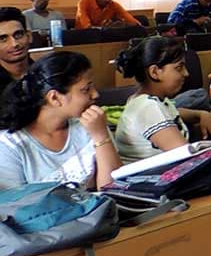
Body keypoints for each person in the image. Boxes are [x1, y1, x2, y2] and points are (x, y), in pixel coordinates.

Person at [0, 51, 121, 190]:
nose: (95, 94)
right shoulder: (10, 146)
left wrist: (101, 136)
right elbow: (15, 205)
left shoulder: (91, 126)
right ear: (54, 98)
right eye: (86, 89)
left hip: (100, 210)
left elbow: (114, 189)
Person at [113, 36, 211, 163]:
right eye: (179, 67)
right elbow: (187, 158)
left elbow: (172, 111)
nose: (186, 73)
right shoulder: (147, 107)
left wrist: (201, 114)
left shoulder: (147, 101)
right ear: (155, 72)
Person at [0, 8, 33, 92]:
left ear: (29, 36)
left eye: (18, 34)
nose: (15, 44)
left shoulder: (46, 75)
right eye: (3, 38)